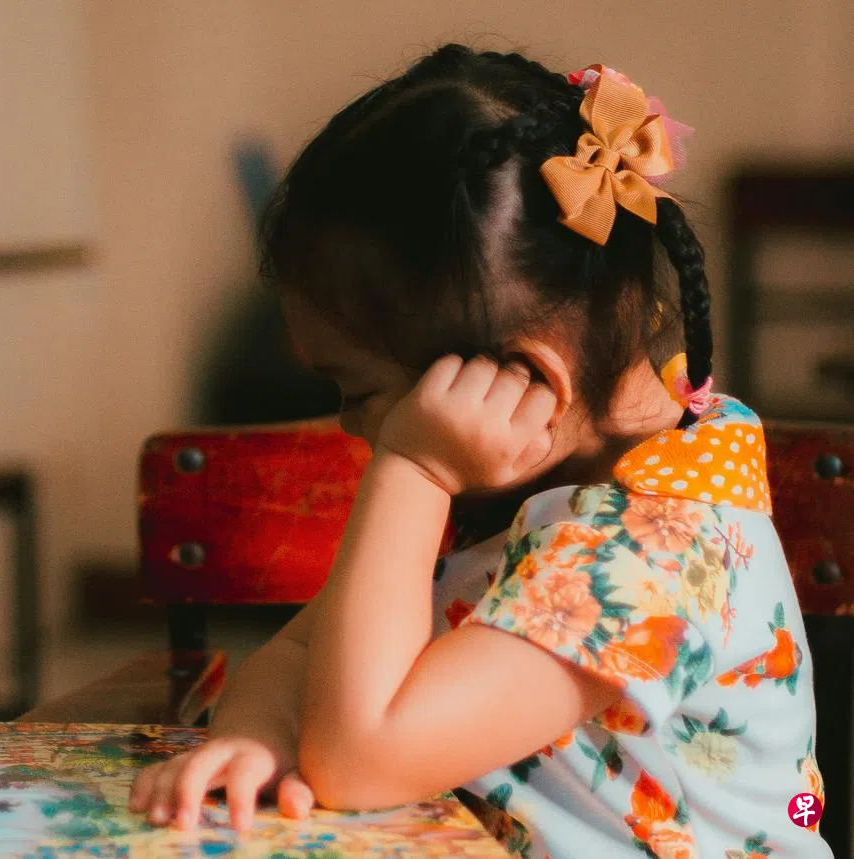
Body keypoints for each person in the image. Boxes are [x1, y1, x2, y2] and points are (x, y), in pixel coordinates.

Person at [129, 45, 831, 858]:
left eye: (359, 392)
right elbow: (297, 651)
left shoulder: (654, 555)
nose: (351, 427)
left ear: (522, 381)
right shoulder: (526, 478)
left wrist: (414, 468)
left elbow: (359, 759)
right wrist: (257, 736)